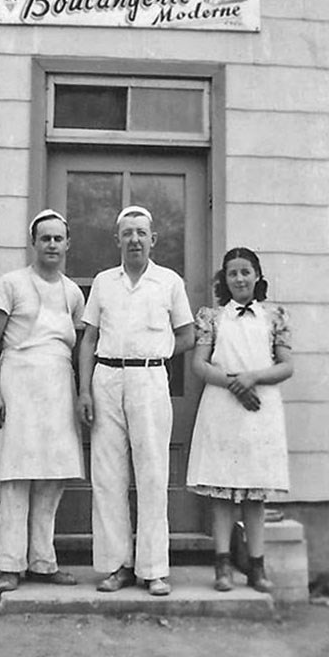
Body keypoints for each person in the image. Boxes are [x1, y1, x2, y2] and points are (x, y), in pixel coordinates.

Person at [77, 205, 195, 597]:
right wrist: (84, 390)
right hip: (106, 377)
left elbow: (188, 336)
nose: (134, 240)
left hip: (149, 378)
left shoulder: (169, 282)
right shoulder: (103, 282)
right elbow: (89, 339)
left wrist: (157, 354)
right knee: (108, 476)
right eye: (127, 233)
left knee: (152, 473)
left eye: (141, 233)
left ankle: (154, 569)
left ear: (153, 239)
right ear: (117, 240)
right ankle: (116, 566)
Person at [0, 209, 86, 593]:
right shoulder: (11, 283)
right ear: (34, 243)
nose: (52, 245)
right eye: (46, 238)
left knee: (52, 476)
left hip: (58, 386)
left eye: (59, 239)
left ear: (68, 244)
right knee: (15, 476)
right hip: (18, 383)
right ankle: (9, 564)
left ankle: (43, 561)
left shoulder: (73, 293)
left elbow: (79, 347)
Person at [187, 247, 294, 593]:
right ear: (225, 279)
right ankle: (222, 566)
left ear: (257, 276)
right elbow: (200, 365)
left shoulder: (274, 316)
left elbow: (286, 366)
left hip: (259, 408)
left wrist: (253, 379)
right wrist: (234, 383)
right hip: (222, 406)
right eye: (232, 273)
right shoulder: (212, 317)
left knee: (254, 494)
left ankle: (257, 567)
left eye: (245, 272)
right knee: (221, 490)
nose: (239, 279)